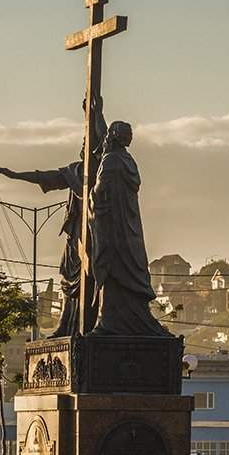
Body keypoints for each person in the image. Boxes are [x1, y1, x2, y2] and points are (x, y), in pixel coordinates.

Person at [0, 97, 107, 336]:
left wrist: (97, 114)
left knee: (94, 278)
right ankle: (67, 326)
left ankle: (92, 326)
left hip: (96, 233)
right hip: (76, 235)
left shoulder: (104, 171)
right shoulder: (76, 171)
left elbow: (104, 141)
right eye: (84, 144)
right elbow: (45, 177)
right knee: (68, 276)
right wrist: (15, 175)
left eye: (88, 144)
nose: (84, 147)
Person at [88, 121, 169, 336]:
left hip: (117, 223)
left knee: (115, 265)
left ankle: (111, 320)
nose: (130, 136)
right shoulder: (125, 159)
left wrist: (91, 198)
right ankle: (122, 318)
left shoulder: (112, 159)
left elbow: (100, 188)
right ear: (118, 136)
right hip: (127, 222)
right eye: (127, 133)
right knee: (127, 264)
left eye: (130, 133)